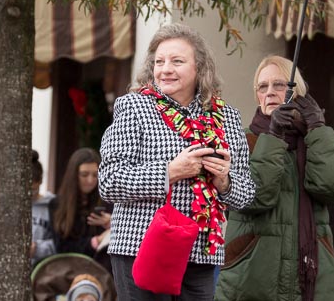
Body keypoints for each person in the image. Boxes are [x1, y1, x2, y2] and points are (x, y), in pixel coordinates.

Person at [99, 23, 256, 300]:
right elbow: (109, 181)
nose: (165, 69)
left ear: (200, 68)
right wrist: (170, 171)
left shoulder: (227, 116)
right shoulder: (134, 107)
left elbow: (245, 195)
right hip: (141, 248)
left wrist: (224, 181)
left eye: (177, 61)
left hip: (200, 253)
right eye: (159, 61)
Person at [215, 55, 334, 301]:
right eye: (263, 86)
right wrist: (274, 137)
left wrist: (317, 127)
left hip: (312, 279)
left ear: (297, 94)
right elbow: (256, 197)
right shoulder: (241, 140)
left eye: (279, 85)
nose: (270, 92)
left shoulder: (315, 140)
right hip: (250, 279)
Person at [49, 148, 112, 271]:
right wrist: (95, 241)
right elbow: (60, 247)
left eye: (95, 175)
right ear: (73, 174)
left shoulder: (107, 202)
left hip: (102, 273)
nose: (90, 180)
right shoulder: (57, 204)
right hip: (68, 272)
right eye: (84, 175)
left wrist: (112, 223)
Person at [31, 150, 56, 268]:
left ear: (40, 181)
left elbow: (60, 242)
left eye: (33, 189)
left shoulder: (51, 206)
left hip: (43, 268)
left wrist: (37, 248)